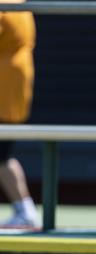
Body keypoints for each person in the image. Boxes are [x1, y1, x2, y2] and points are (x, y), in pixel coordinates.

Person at [0, 0, 38, 229]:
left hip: (5, 90)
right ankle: (24, 209)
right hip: (14, 88)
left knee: (2, 156)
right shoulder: (19, 3)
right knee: (4, 156)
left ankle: (24, 210)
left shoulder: (5, 5)